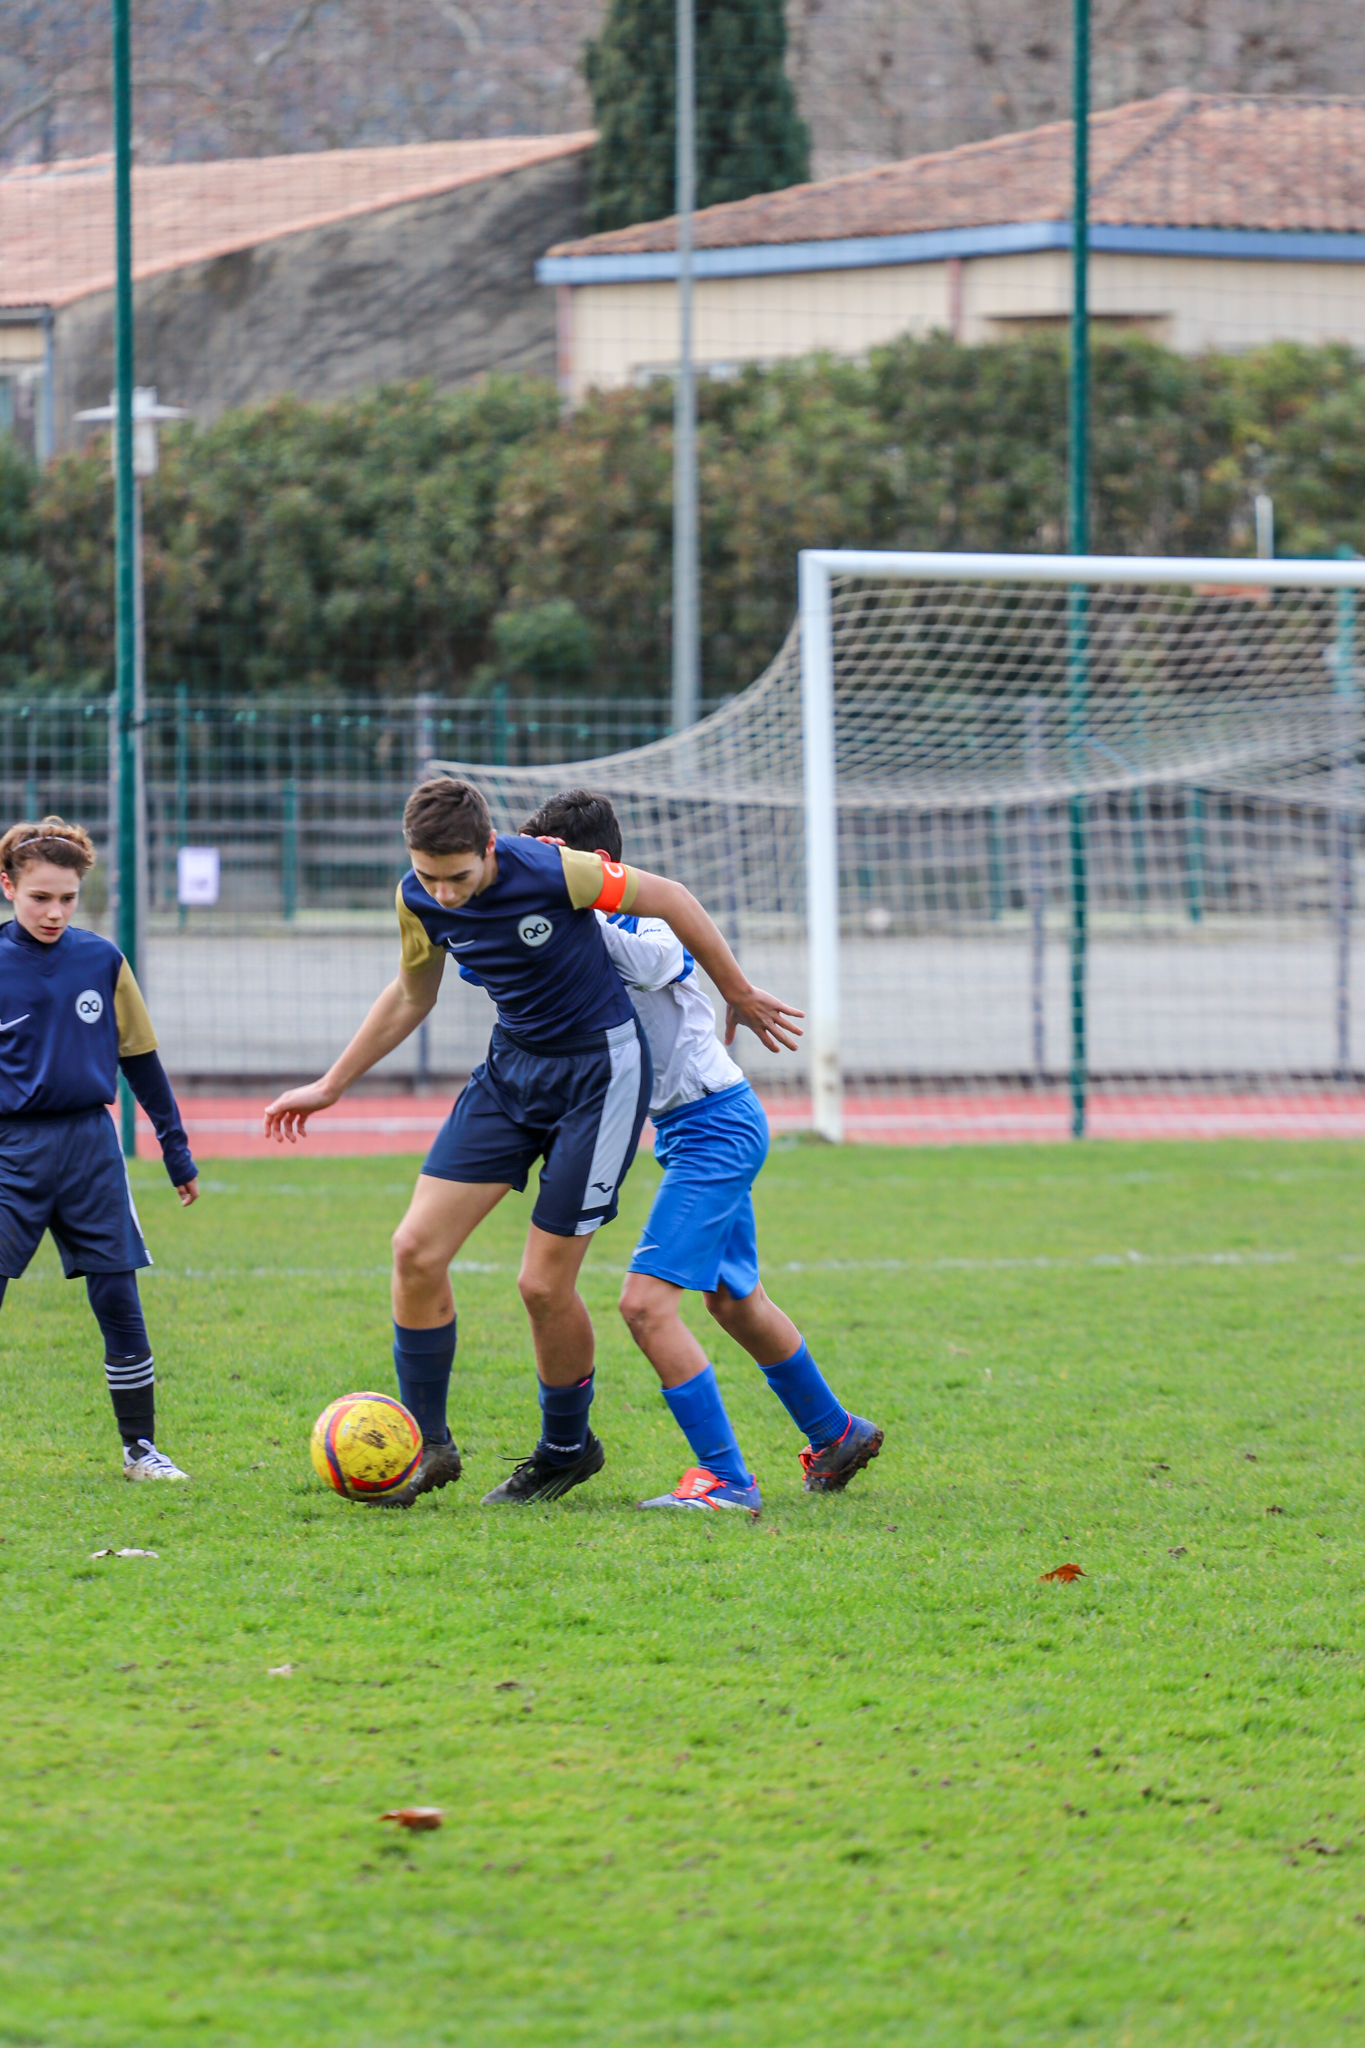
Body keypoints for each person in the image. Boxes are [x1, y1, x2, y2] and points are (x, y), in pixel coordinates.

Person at [263, 778, 801, 1509]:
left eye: (460, 877)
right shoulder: (416, 896)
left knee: (542, 1286)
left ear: (490, 849)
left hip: (599, 1075)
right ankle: (429, 1443)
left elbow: (671, 899)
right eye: (429, 877)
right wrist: (331, 1083)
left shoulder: (552, 869)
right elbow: (411, 993)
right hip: (510, 1070)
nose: (446, 895)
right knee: (414, 1250)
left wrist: (735, 989)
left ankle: (565, 1450)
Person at [520, 789, 883, 1517]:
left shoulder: (646, 922)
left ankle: (724, 1478)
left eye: (550, 862)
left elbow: (643, 963)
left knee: (645, 1306)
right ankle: (837, 1433)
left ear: (597, 866)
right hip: (695, 1129)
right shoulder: (583, 926)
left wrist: (555, 906)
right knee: (735, 1301)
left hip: (716, 1127)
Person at [0, 817, 199, 1480]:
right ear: (8, 888)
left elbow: (141, 1061)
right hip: (11, 1151)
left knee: (118, 1298)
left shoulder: (103, 960)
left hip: (91, 1146)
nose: (54, 912)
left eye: (66, 898)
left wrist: (176, 1150)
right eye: (39, 898)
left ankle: (140, 1450)